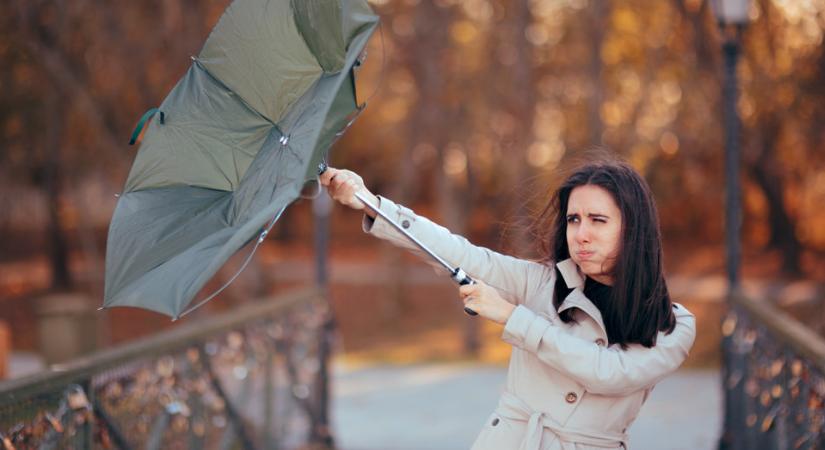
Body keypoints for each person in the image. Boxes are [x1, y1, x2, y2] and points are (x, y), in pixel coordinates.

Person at [319, 157, 696, 450]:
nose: (581, 234)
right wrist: (371, 204)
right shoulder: (543, 283)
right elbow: (461, 254)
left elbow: (608, 373)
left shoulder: (672, 324)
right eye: (573, 219)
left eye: (598, 220)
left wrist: (511, 316)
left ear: (633, 227)